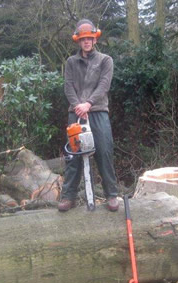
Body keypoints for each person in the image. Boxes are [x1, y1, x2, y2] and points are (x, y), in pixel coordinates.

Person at [58, 18, 119, 212]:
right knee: (73, 156)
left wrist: (88, 104)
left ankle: (111, 194)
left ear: (95, 39)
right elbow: (68, 86)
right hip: (76, 113)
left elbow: (104, 85)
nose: (86, 42)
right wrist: (78, 106)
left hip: (98, 111)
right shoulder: (71, 62)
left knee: (104, 151)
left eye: (89, 38)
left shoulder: (105, 60)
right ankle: (69, 197)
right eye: (83, 39)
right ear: (78, 41)